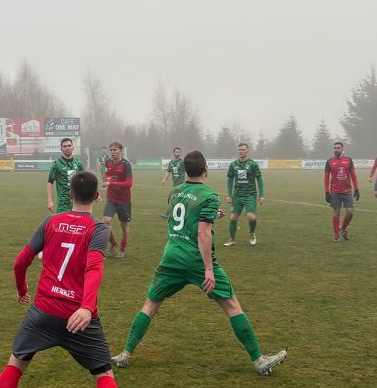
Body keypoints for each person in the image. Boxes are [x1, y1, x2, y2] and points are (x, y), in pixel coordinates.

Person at [0, 171, 153, 388]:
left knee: (16, 364)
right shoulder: (99, 229)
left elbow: (21, 262)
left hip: (42, 311)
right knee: (103, 373)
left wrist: (22, 289)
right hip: (78, 317)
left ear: (68, 195)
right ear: (97, 196)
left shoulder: (51, 221)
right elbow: (94, 268)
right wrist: (85, 306)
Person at [111, 151, 286, 375]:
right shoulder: (210, 195)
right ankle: (259, 361)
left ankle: (125, 354)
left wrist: (212, 215)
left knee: (151, 303)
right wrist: (209, 269)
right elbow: (203, 233)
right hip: (195, 260)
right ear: (206, 169)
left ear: (185, 170)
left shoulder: (174, 191)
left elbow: (183, 217)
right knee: (232, 305)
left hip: (171, 257)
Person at [224, 143, 264, 247]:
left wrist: (261, 195)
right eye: (239, 150)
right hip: (237, 195)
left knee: (251, 217)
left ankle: (251, 234)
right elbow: (229, 179)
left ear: (247, 151)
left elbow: (259, 179)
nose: (241, 151)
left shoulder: (253, 164)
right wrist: (229, 195)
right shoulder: (233, 164)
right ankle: (232, 239)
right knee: (233, 217)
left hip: (250, 195)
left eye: (243, 149)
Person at [100, 142, 133, 257]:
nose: (112, 152)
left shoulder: (126, 164)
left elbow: (129, 183)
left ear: (120, 151)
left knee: (124, 227)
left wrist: (111, 182)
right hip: (111, 198)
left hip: (124, 200)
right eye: (111, 150)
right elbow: (106, 173)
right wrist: (106, 179)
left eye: (115, 150)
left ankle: (122, 249)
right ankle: (113, 244)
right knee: (106, 221)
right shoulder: (107, 162)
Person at [324, 141, 360, 242]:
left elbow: (353, 174)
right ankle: (336, 235)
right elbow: (326, 177)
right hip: (335, 192)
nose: (336, 149)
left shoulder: (348, 160)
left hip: (347, 191)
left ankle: (343, 228)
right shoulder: (329, 161)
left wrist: (356, 189)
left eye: (338, 148)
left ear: (342, 149)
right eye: (335, 148)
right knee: (336, 213)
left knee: (350, 212)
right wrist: (327, 192)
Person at [46, 137, 83, 213]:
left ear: (73, 147)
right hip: (63, 204)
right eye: (65, 146)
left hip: (77, 203)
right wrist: (50, 201)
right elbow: (50, 182)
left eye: (69, 146)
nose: (67, 148)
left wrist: (94, 194)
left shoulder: (78, 163)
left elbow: (83, 180)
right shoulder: (56, 164)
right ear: (61, 149)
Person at [158, 147, 185, 219]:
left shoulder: (182, 162)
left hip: (181, 184)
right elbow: (168, 171)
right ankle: (177, 213)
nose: (178, 153)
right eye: (176, 152)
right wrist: (164, 179)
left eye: (179, 152)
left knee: (173, 198)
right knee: (177, 199)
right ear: (174, 153)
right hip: (175, 185)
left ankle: (168, 213)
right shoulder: (171, 163)